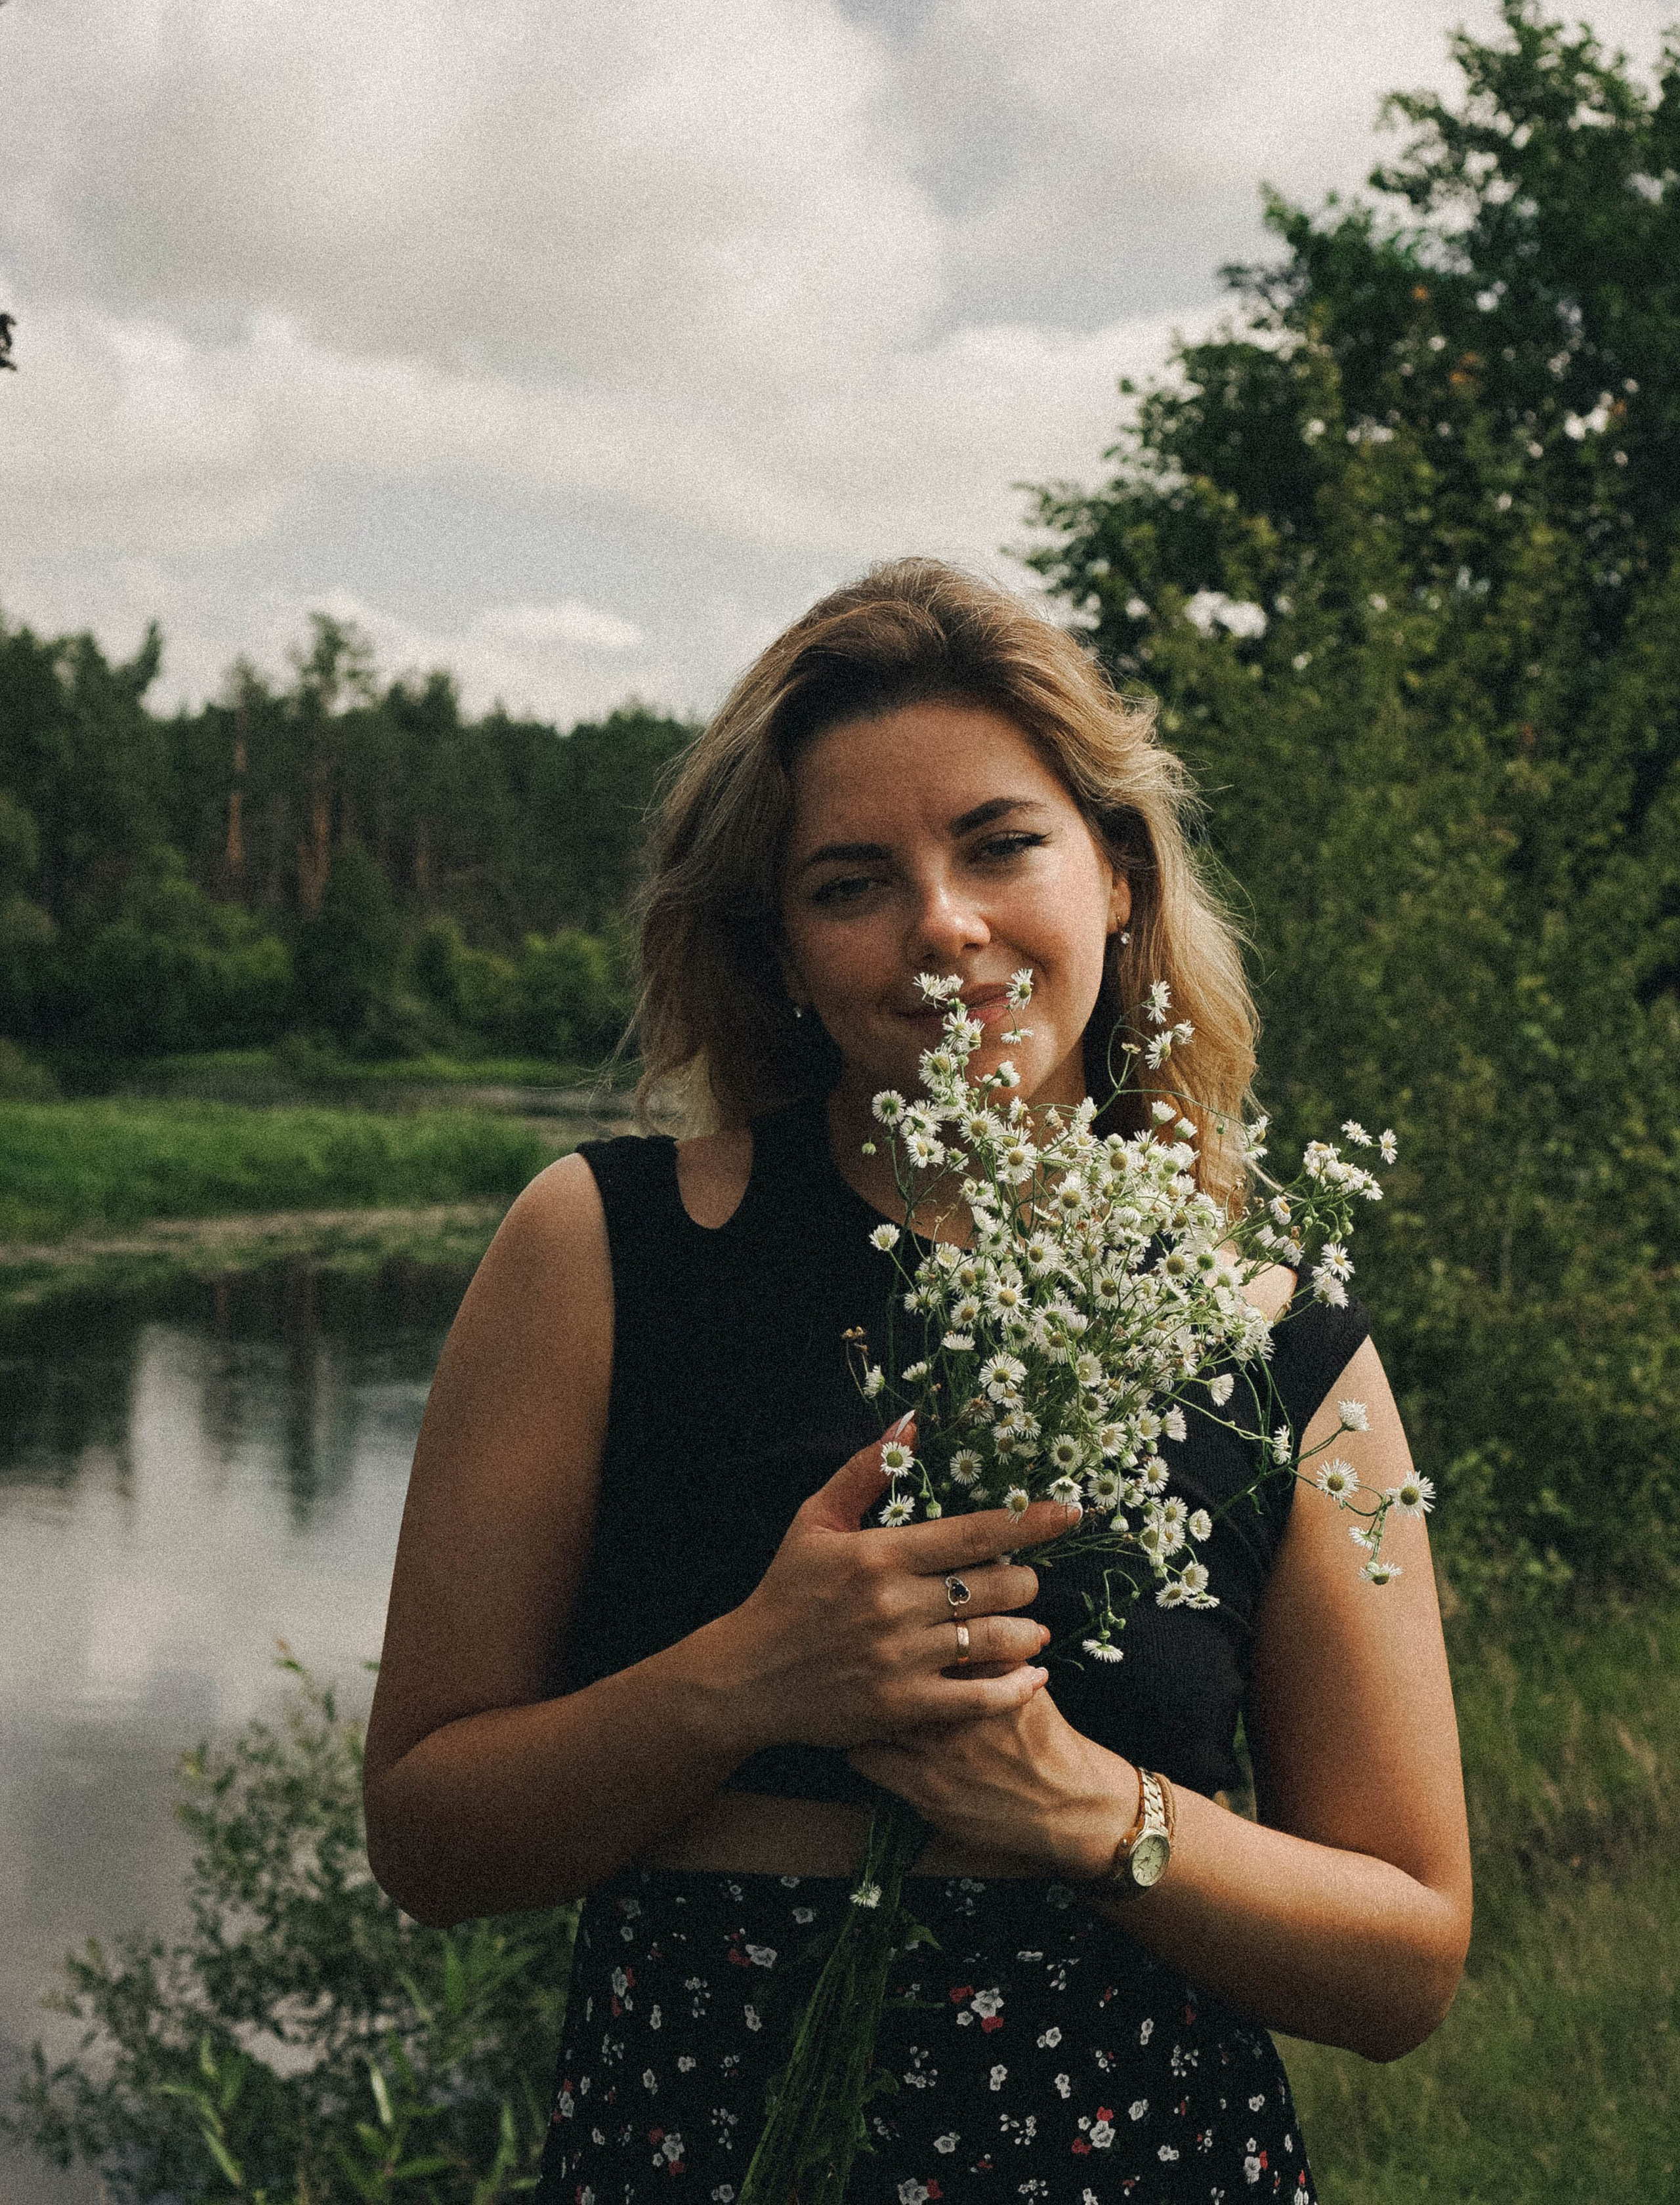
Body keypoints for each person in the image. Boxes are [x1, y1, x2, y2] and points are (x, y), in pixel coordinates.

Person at [363, 560, 1472, 2203]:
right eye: (850, 881)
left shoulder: (1282, 1346)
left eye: (1000, 843)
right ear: (784, 949)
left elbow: (1405, 1961)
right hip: (705, 2145)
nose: (941, 924)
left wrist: (1083, 1805)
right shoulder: (610, 1248)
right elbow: (427, 1841)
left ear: (1112, 871)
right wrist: (747, 1681)